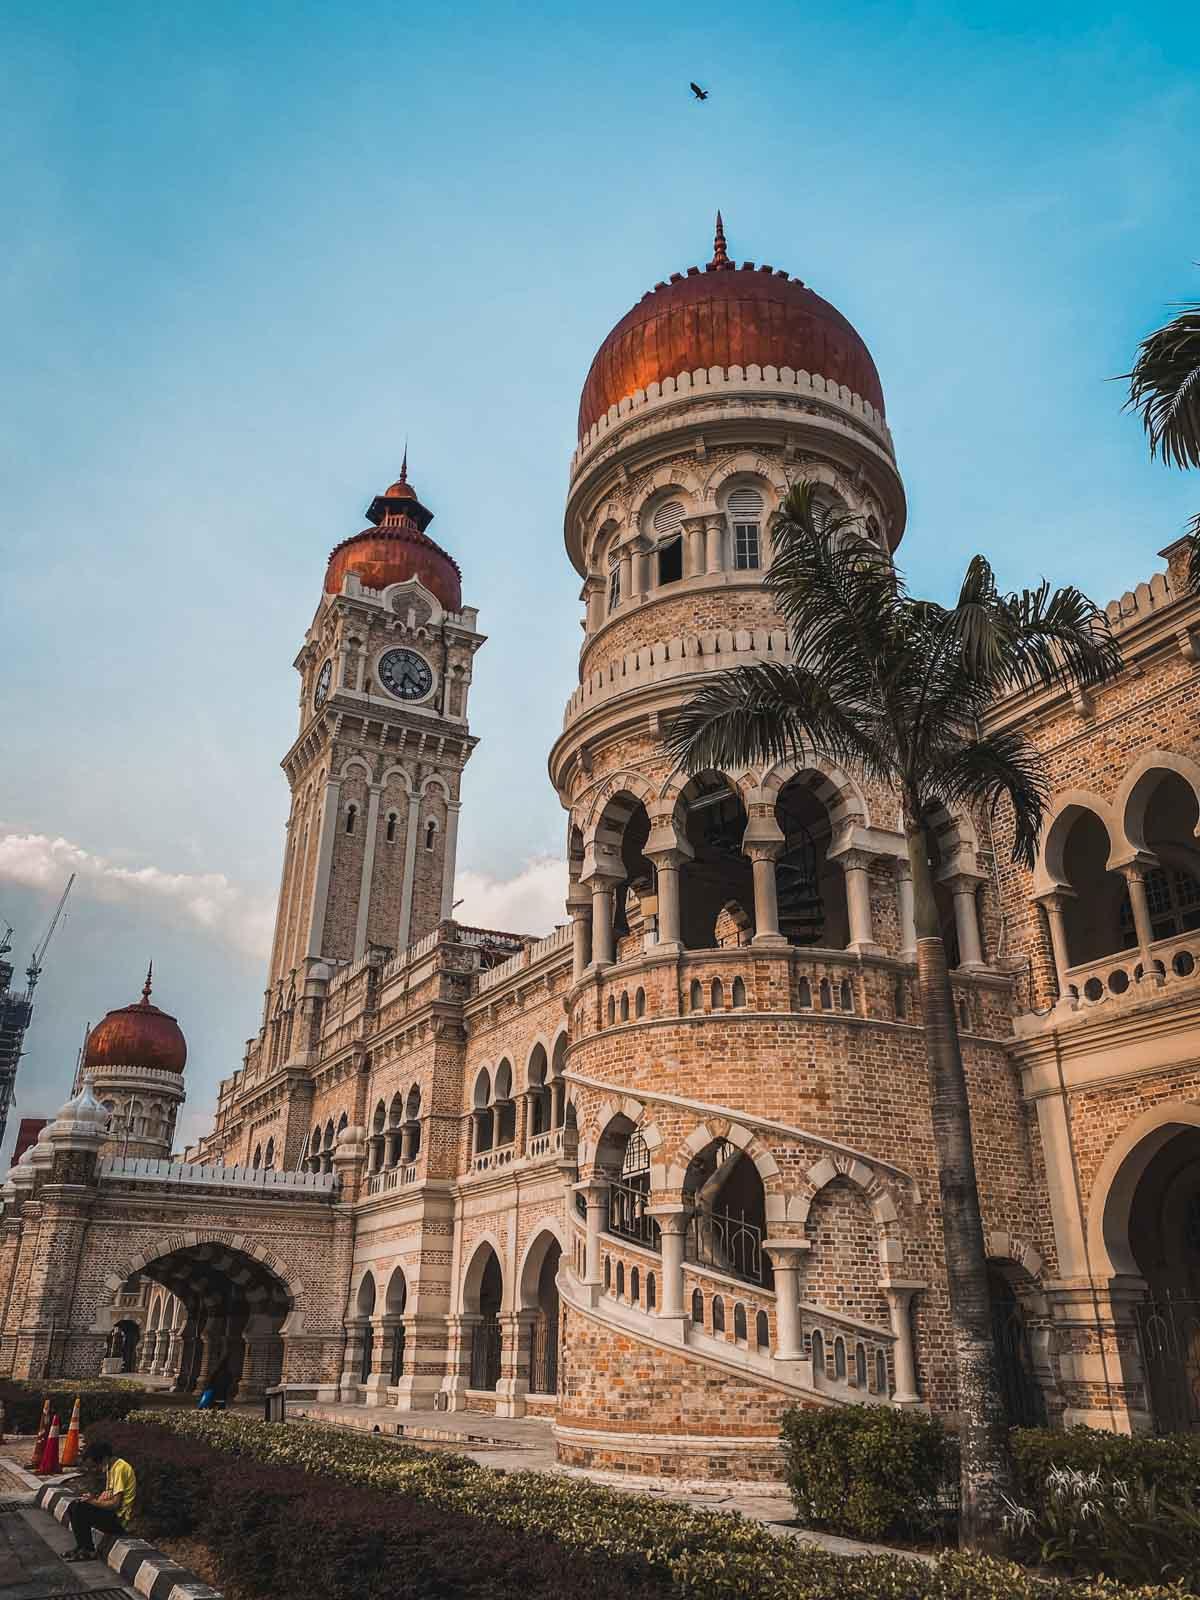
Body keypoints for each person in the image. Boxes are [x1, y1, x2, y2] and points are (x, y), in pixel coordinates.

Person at [61, 1440, 136, 1563]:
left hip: (120, 1520)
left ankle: (88, 1550)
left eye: (98, 1464)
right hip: (112, 1514)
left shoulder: (119, 1469)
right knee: (75, 1505)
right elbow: (108, 1496)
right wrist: (95, 1499)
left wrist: (93, 1502)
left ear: (105, 1458)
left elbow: (115, 1504)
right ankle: (82, 1547)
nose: (98, 1468)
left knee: (81, 1509)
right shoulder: (111, 1467)